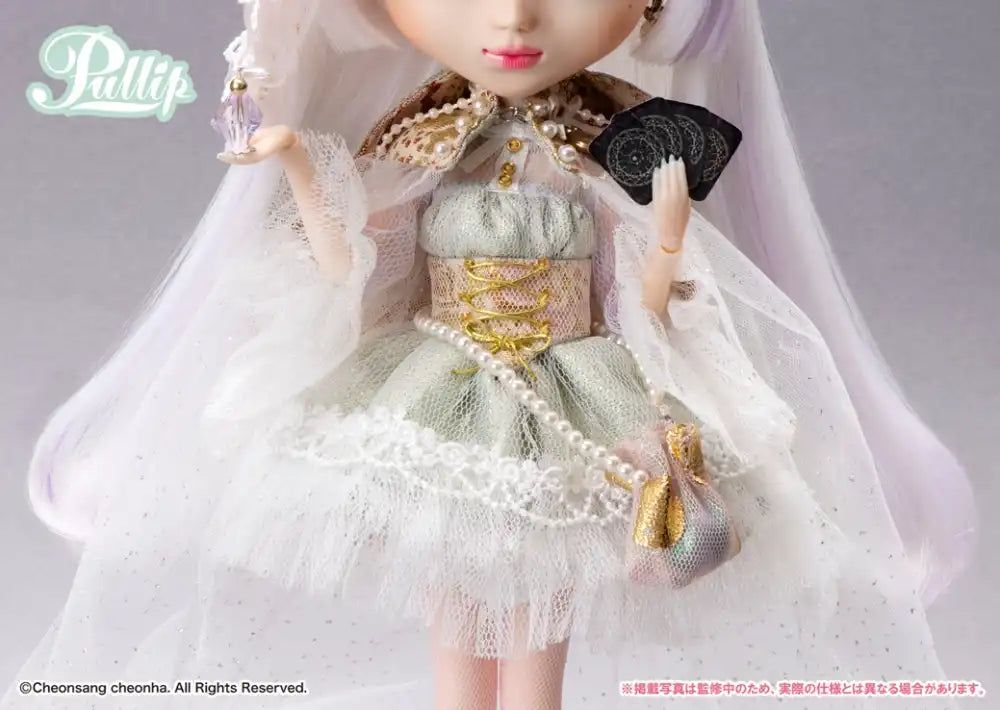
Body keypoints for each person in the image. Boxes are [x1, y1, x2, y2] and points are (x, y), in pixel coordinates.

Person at [5, 1, 977, 708]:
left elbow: (641, 296)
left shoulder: (605, 145)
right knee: (453, 576)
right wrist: (302, 165)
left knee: (542, 591)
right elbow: (353, 264)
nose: (511, 15)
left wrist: (671, 233)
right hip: (439, 379)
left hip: (572, 382)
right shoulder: (423, 137)